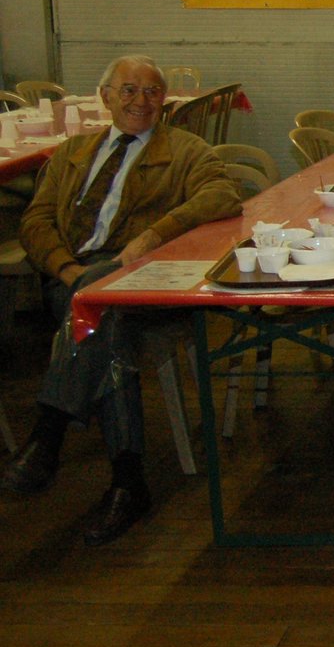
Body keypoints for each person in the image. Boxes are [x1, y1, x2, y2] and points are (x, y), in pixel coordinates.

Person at [0, 56, 240, 545]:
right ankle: (127, 484)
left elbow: (221, 195)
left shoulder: (186, 150)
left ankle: (49, 433)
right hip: (76, 279)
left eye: (152, 92)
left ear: (165, 101)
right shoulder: (72, 153)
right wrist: (69, 271)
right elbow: (36, 221)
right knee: (106, 326)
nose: (141, 102)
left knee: (101, 307)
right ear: (104, 97)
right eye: (128, 91)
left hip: (142, 277)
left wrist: (153, 235)